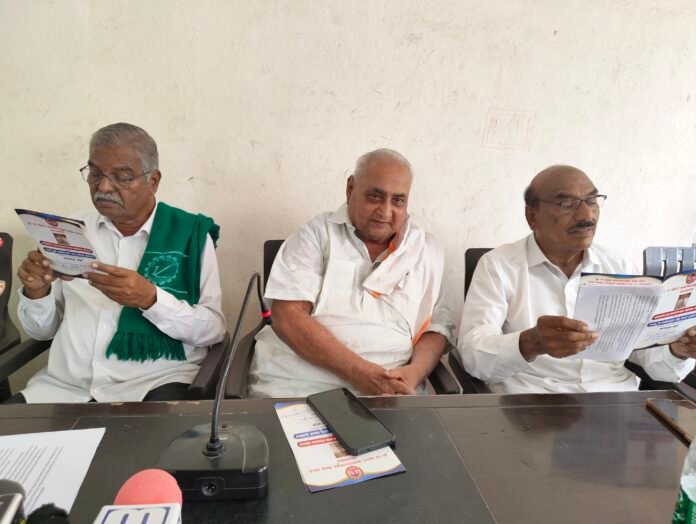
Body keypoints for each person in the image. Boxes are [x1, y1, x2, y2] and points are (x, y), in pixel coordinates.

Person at [9, 123, 226, 403]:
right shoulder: (69, 231)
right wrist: (37, 292)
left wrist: (151, 299)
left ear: (153, 181)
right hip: (64, 390)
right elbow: (42, 332)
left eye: (122, 177)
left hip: (152, 386)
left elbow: (213, 330)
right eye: (95, 174)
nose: (103, 187)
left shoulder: (189, 235)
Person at [458, 165, 696, 394]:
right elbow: (473, 355)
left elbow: (646, 356)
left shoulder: (620, 267)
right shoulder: (498, 266)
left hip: (615, 400)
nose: (587, 216)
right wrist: (531, 342)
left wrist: (678, 350)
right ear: (532, 216)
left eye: (592, 201)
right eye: (567, 204)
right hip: (532, 401)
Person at [249, 148, 453, 397]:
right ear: (350, 189)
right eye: (375, 196)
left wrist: (413, 373)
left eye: (398, 200)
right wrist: (364, 376)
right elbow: (288, 318)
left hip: (391, 393)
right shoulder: (316, 235)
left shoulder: (424, 250)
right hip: (299, 386)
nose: (385, 211)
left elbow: (435, 327)